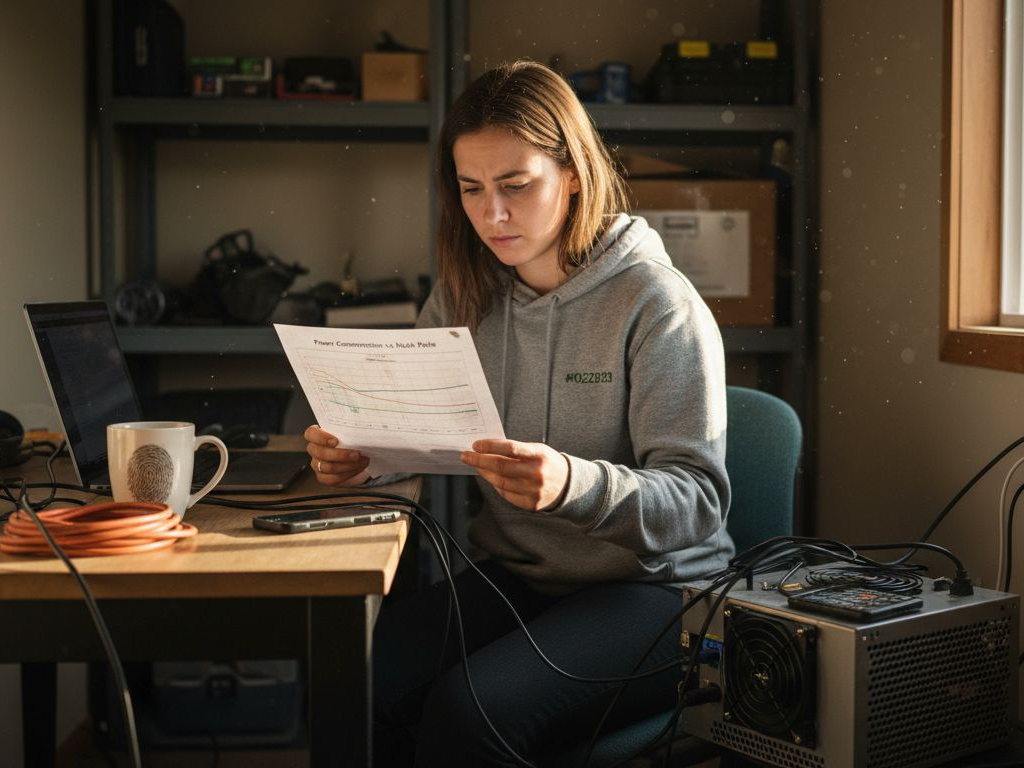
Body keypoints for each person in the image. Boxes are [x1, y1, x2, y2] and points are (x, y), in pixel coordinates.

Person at [303, 60, 733, 766]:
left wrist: (573, 484)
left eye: (516, 185)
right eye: (471, 190)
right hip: (526, 575)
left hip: (661, 593)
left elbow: (697, 504)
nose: (491, 214)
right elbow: (418, 441)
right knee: (353, 677)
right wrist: (362, 458)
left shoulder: (658, 304)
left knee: (468, 716)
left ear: (572, 173)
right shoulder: (464, 294)